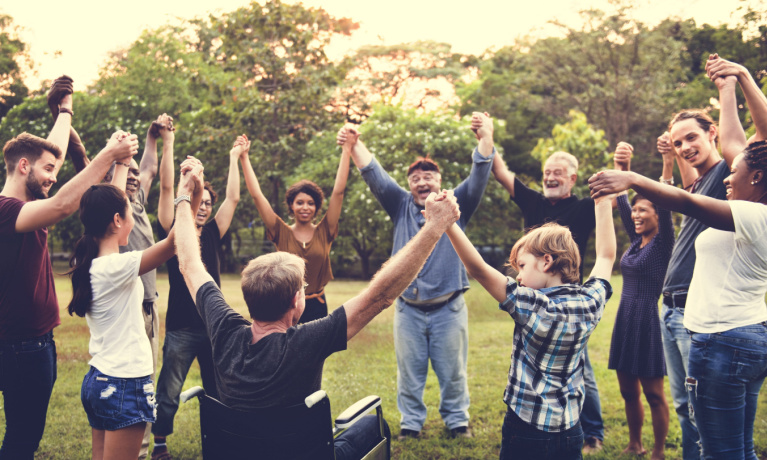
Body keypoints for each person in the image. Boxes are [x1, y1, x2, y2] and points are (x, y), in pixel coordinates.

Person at [173, 157, 461, 459]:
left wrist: (183, 194)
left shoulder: (224, 329)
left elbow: (189, 264)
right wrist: (434, 227)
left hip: (238, 451)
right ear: (297, 302)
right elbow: (381, 295)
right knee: (374, 426)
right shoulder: (307, 342)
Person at [590, 126, 767, 460]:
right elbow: (727, 148)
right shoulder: (748, 217)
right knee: (741, 449)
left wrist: (634, 179)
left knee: (720, 452)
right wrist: (730, 79)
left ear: (756, 177)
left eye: (735, 173)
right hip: (741, 337)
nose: (728, 179)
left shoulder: (756, 214)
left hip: (723, 341)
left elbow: (687, 201)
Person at [0, 79, 139, 459]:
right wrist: (110, 154)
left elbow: (53, 156)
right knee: (23, 439)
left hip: (31, 343)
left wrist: (65, 112)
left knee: (24, 436)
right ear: (23, 166)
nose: (54, 174)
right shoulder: (7, 210)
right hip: (20, 347)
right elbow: (64, 204)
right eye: (47, 169)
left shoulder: (28, 204)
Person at [337, 112, 495, 439]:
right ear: (409, 185)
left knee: (453, 373)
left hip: (448, 309)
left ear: (440, 181)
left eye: (429, 176)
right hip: (407, 309)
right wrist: (355, 143)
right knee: (409, 374)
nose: (422, 182)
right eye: (415, 178)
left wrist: (485, 136)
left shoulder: (457, 204)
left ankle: (457, 422)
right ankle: (411, 424)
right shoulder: (399, 205)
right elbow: (373, 173)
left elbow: (480, 172)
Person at [441, 184, 616, 459]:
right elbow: (606, 256)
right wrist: (603, 203)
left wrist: (448, 222)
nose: (518, 276)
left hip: (525, 429)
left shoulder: (531, 304)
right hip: (571, 429)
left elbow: (477, 268)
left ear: (546, 261)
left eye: (521, 266)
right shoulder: (590, 301)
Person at [491, 147, 606, 453]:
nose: (550, 177)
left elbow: (478, 269)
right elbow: (501, 172)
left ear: (573, 178)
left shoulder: (582, 208)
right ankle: (580, 430)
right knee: (570, 370)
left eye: (557, 172)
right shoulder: (533, 200)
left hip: (559, 305)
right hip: (573, 307)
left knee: (582, 373)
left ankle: (594, 431)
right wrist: (486, 138)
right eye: (546, 173)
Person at [66, 176, 185, 460]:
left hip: (100, 379)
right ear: (118, 220)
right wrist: (187, 191)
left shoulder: (93, 264)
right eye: (130, 212)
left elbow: (110, 201)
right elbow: (174, 242)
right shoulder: (117, 266)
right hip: (123, 383)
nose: (133, 218)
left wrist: (119, 165)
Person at [151, 135, 246, 459]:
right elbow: (166, 192)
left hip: (214, 327)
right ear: (189, 202)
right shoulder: (175, 233)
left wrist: (234, 157)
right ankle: (160, 443)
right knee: (169, 390)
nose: (203, 207)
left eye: (207, 203)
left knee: (219, 389)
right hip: (181, 328)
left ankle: (219, 442)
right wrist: (170, 149)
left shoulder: (215, 234)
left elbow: (232, 198)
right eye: (199, 202)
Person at [112, 114, 174, 460]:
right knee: (133, 381)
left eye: (135, 172)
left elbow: (148, 168)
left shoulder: (136, 204)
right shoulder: (110, 208)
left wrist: (152, 137)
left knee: (146, 378)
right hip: (128, 309)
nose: (135, 176)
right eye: (126, 171)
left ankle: (142, 448)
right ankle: (136, 450)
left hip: (149, 305)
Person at [241, 131, 350, 324]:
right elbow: (258, 196)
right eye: (300, 202)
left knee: (316, 354)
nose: (305, 207)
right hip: (284, 306)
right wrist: (244, 158)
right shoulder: (280, 231)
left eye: (310, 203)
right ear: (291, 205)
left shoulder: (325, 231)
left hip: (317, 304)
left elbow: (338, 192)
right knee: (284, 353)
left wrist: (346, 149)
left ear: (317, 207)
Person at [609, 142, 673, 459]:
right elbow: (621, 201)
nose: (635, 214)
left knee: (653, 393)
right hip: (625, 318)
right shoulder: (636, 242)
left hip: (648, 319)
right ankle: (635, 443)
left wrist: (667, 164)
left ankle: (659, 450)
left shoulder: (663, 243)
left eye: (643, 209)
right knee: (627, 391)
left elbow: (664, 196)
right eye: (635, 210)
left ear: (658, 215)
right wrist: (623, 167)